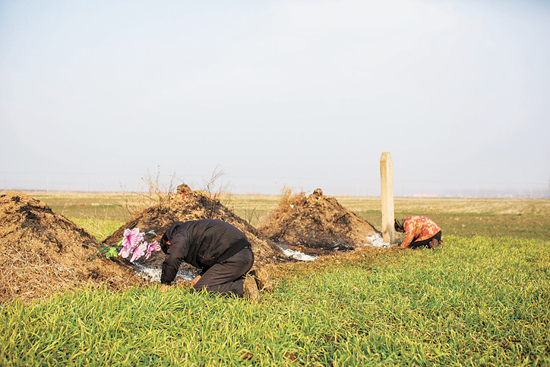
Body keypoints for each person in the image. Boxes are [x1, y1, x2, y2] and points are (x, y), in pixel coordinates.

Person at [159, 219, 272, 301]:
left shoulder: (180, 235)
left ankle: (242, 288)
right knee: (205, 283)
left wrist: (166, 283)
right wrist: (202, 276)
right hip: (245, 255)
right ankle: (256, 279)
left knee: (199, 290)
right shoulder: (192, 228)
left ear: (168, 243)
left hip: (234, 258)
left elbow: (174, 256)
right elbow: (215, 253)